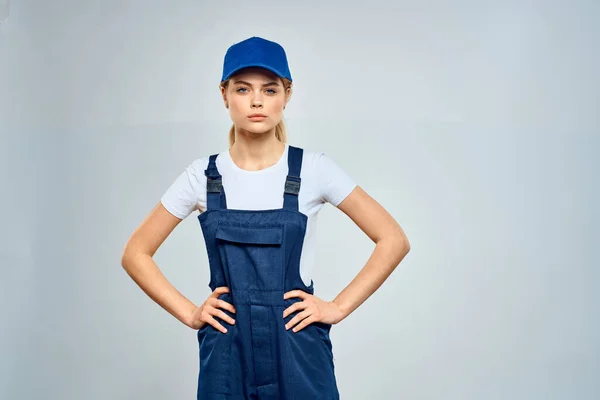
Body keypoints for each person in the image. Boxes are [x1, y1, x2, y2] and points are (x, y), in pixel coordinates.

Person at [121, 36, 411, 400]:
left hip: (297, 345)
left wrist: (337, 307)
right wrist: (191, 313)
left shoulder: (313, 170)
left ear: (287, 95)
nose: (257, 101)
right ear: (224, 94)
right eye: (243, 89)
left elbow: (393, 239)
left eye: (269, 90)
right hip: (229, 348)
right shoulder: (203, 177)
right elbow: (135, 253)